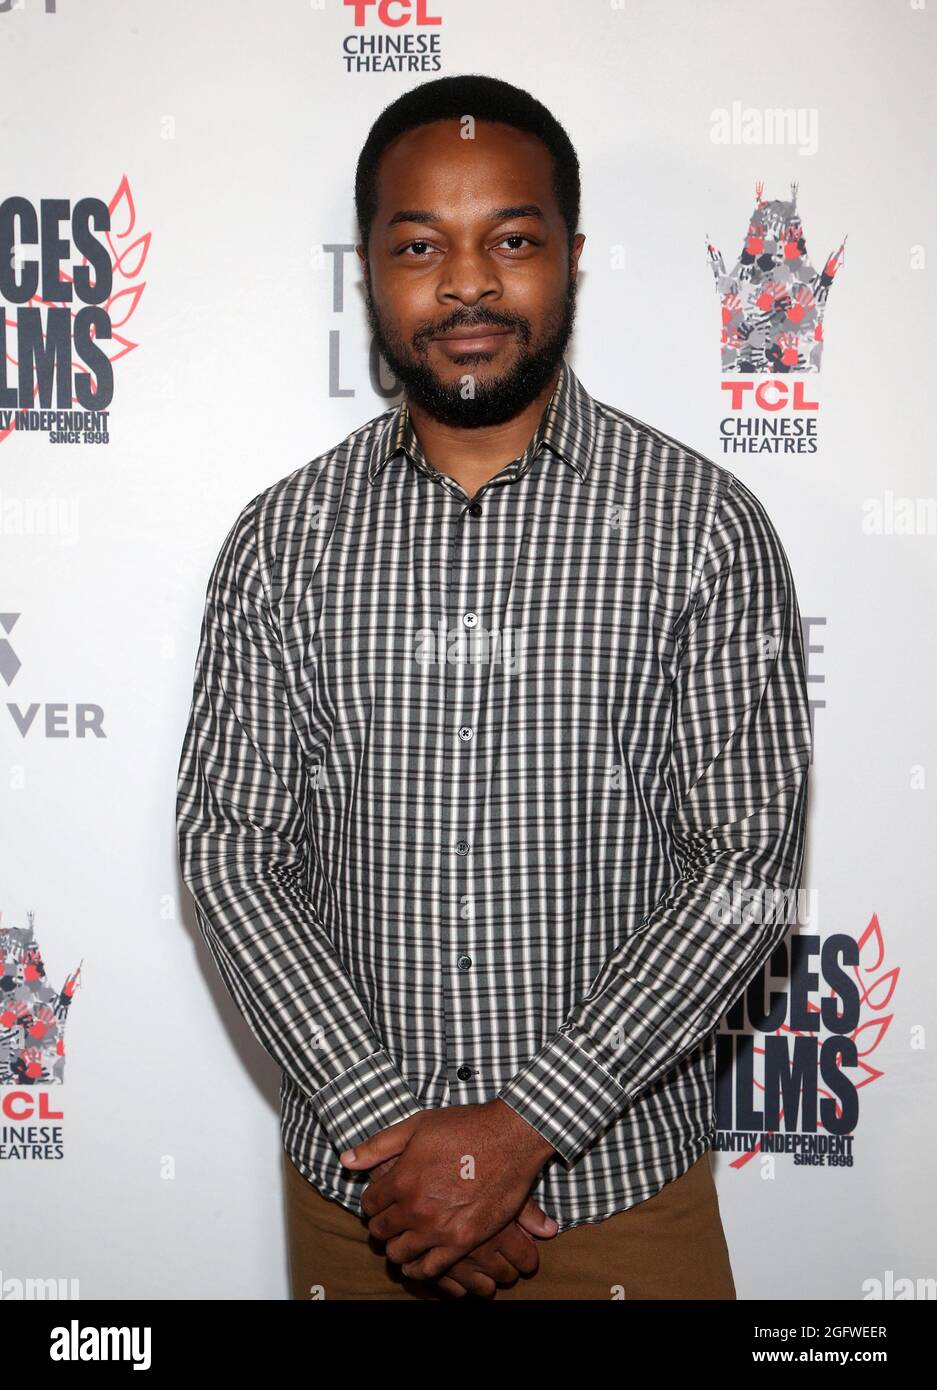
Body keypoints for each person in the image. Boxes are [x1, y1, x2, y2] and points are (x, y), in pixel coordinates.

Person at [175, 73, 812, 1300]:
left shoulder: (703, 530)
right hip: (367, 1208)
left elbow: (744, 867)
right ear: (366, 269)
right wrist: (397, 1142)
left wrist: (517, 1131)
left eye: (510, 240)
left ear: (571, 256)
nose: (467, 282)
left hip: (616, 1201)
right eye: (420, 245)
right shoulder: (282, 541)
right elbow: (230, 854)